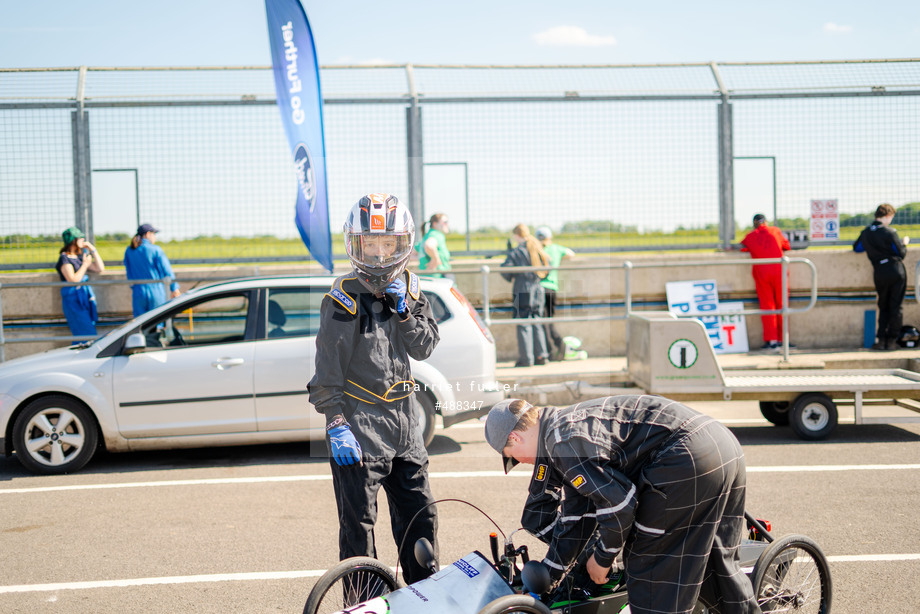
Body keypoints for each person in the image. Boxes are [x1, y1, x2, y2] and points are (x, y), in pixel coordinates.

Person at [484, 396, 761, 614]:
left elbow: (619, 506)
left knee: (648, 570)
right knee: (719, 564)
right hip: (721, 443)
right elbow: (578, 518)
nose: (522, 463)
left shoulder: (560, 442)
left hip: (686, 458)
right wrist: (552, 572)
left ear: (515, 438)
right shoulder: (564, 425)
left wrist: (602, 559)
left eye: (513, 457)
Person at [307, 193, 440, 584]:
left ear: (402, 244)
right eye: (371, 244)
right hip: (359, 427)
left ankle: (424, 599)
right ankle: (364, 606)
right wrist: (335, 422)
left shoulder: (413, 290)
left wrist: (403, 312)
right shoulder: (342, 298)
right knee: (359, 530)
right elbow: (326, 371)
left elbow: (425, 347)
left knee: (422, 515)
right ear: (356, 244)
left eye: (387, 244)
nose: (380, 255)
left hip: (405, 425)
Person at [853, 203, 910, 351]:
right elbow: (901, 253)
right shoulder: (889, 232)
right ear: (887, 216)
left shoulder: (866, 232)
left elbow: (857, 247)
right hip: (895, 270)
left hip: (879, 271)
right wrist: (904, 243)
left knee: (882, 305)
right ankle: (892, 340)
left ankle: (881, 340)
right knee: (895, 307)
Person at [740, 214, 791, 350]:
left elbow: (743, 248)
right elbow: (787, 246)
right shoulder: (775, 231)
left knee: (768, 306)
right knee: (782, 304)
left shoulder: (750, 236)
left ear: (754, 223)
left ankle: (772, 341)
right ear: (765, 222)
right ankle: (783, 339)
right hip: (779, 271)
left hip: (762, 273)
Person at [501, 224, 550, 367]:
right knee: (537, 320)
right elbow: (548, 265)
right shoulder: (536, 247)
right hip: (538, 288)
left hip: (522, 288)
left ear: (516, 236)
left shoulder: (516, 251)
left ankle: (526, 359)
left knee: (523, 322)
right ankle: (542, 356)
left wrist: (509, 253)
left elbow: (506, 271)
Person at [56, 227, 105, 340]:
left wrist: (93, 250)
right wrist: (85, 265)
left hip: (83, 297)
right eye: (80, 238)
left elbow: (100, 268)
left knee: (89, 329)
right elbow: (73, 280)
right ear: (73, 240)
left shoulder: (79, 257)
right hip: (73, 299)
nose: (83, 240)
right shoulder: (64, 258)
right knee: (84, 333)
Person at [535, 226, 575, 361]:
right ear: (550, 237)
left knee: (543, 322)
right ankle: (559, 345)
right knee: (550, 321)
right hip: (552, 288)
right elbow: (571, 253)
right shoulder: (557, 249)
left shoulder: (538, 250)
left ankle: (551, 349)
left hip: (540, 288)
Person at [123, 223, 180, 317]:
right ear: (148, 234)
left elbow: (129, 272)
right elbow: (167, 271)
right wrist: (174, 288)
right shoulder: (156, 250)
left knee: (139, 324)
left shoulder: (129, 251)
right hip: (156, 291)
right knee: (157, 322)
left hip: (138, 292)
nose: (155, 238)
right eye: (154, 234)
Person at [417, 212, 451, 277]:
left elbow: (413, 254)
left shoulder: (426, 236)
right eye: (445, 222)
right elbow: (429, 246)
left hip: (425, 278)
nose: (447, 224)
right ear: (435, 224)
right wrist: (436, 259)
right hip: (438, 279)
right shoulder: (436, 234)